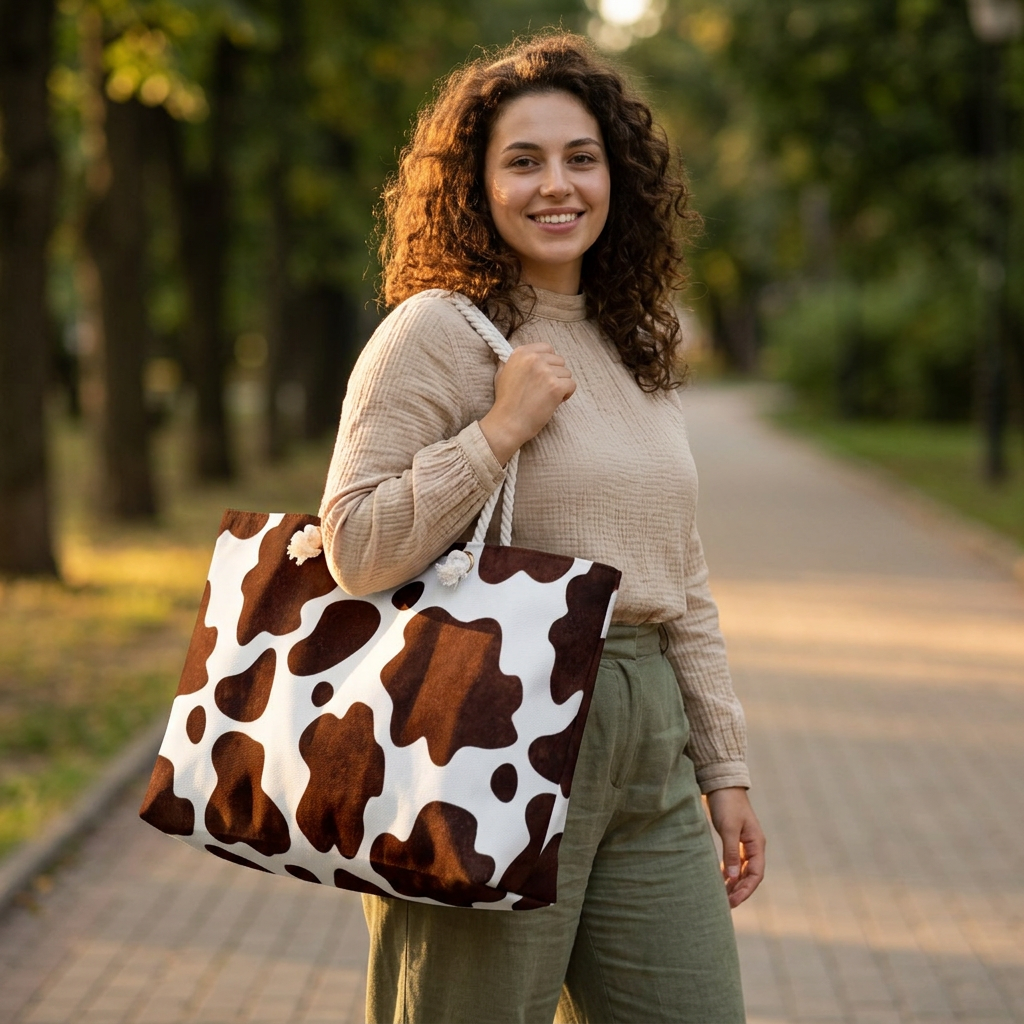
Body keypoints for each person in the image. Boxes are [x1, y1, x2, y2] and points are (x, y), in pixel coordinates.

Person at [318, 31, 765, 1024]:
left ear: (618, 177)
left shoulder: (630, 339)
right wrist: (496, 432)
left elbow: (679, 573)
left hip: (645, 736)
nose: (555, 185)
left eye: (580, 157)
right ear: (476, 185)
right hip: (488, 723)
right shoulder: (434, 332)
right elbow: (351, 544)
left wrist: (722, 765)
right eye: (522, 161)